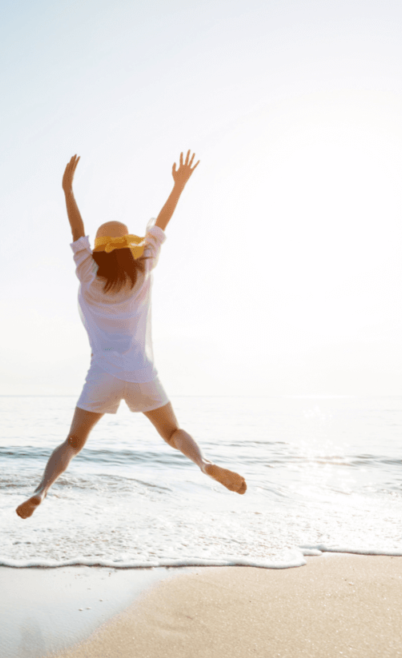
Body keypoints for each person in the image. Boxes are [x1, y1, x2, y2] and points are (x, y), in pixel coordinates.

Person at [16, 151, 247, 520]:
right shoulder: (144, 268)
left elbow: (77, 232)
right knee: (173, 433)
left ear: (100, 249)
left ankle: (41, 490)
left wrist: (67, 189)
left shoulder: (88, 273)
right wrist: (179, 185)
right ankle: (204, 464)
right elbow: (162, 225)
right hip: (141, 372)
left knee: (73, 443)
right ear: (128, 246)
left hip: (102, 374)